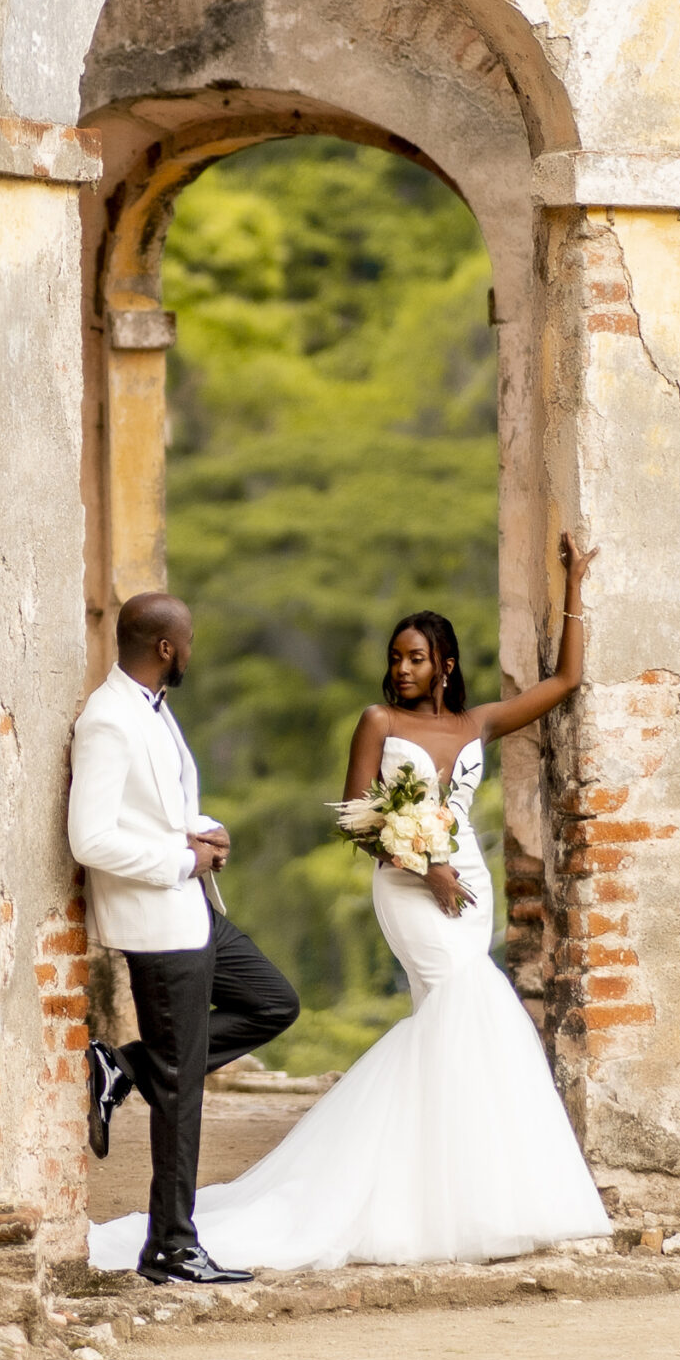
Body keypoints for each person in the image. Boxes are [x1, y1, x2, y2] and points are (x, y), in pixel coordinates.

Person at [87, 534, 610, 1274]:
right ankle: (442, 1188)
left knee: (453, 1020)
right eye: (395, 657)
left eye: (415, 658)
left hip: (468, 882)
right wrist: (418, 866)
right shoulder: (378, 722)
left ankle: (458, 1186)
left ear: (445, 666)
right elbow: (357, 818)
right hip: (406, 886)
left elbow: (564, 681)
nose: (400, 669)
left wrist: (575, 590)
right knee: (472, 998)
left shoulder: (475, 723)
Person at [69, 591, 300, 1285]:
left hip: (189, 910)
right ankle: (170, 1245)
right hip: (157, 920)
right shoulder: (107, 720)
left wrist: (201, 830)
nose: (192, 651)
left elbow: (154, 808)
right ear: (166, 648)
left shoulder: (150, 711)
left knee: (271, 1001)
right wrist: (179, 860)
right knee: (182, 1092)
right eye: (189, 640)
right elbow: (91, 837)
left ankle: (125, 1068)